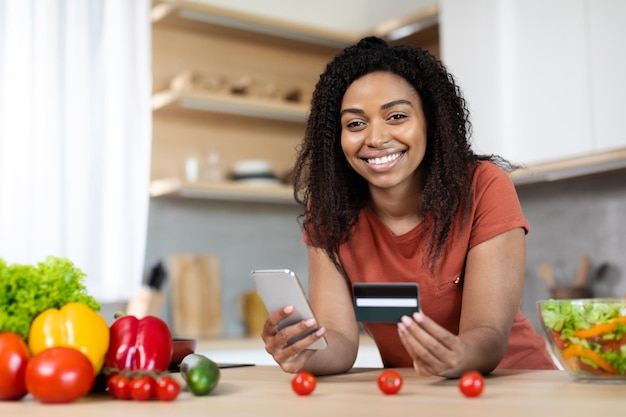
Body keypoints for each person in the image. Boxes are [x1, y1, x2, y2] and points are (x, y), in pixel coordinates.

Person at [261, 36, 557, 378]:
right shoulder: (329, 208)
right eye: (355, 123)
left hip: (514, 385)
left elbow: (488, 335)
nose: (375, 138)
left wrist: (458, 354)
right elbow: (340, 343)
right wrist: (302, 350)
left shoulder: (484, 186)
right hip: (417, 395)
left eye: (397, 116)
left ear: (429, 121)